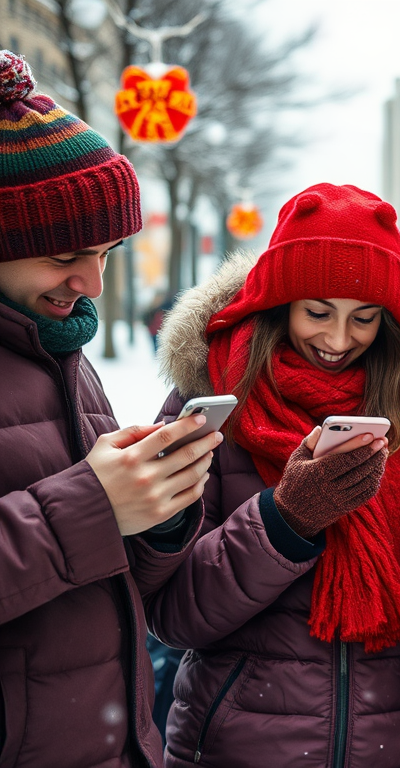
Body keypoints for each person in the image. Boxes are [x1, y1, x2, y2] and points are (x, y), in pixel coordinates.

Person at [145, 183, 400, 768]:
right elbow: (174, 614)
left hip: (394, 743)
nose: (337, 340)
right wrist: (285, 520)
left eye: (364, 318)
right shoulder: (210, 403)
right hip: (240, 743)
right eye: (318, 312)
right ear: (282, 302)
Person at [0, 51, 215, 768]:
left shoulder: (58, 348)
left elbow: (104, 583)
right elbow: (70, 526)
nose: (92, 281)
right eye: (66, 252)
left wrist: (158, 514)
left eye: (107, 251)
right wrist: (94, 506)